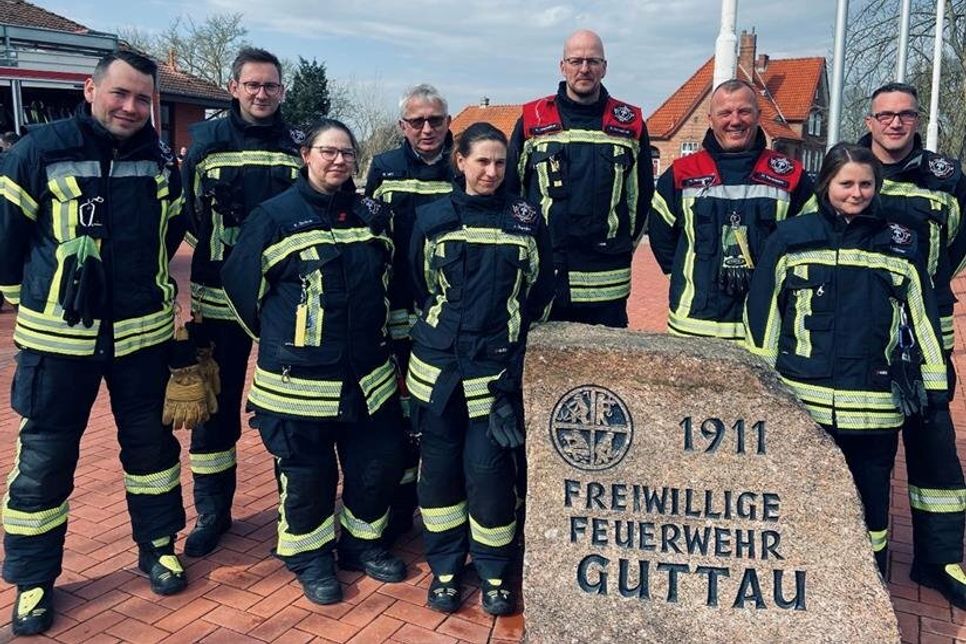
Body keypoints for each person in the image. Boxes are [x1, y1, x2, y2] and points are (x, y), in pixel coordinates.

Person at [0, 50, 187, 636]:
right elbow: (7, 244)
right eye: (120, 94)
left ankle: (157, 547)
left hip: (143, 340)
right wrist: (37, 298)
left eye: (143, 99)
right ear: (90, 88)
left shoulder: (161, 159)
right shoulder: (37, 150)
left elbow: (173, 227)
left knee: (152, 454)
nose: (132, 107)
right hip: (57, 345)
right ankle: (33, 581)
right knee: (43, 464)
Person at [744, 143, 965, 607]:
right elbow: (764, 313)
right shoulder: (791, 237)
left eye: (866, 183)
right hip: (805, 401)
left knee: (870, 503)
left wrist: (934, 385)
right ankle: (803, 583)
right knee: (803, 495)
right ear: (826, 184)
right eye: (846, 183)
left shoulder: (899, 240)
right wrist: (760, 387)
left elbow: (921, 315)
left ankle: (867, 590)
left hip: (875, 404)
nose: (857, 192)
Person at [222, 118, 407, 606]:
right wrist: (284, 342)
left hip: (369, 378)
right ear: (306, 155)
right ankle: (310, 557)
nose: (339, 160)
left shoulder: (372, 216)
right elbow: (242, 291)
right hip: (297, 384)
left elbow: (392, 284)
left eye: (347, 152)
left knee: (378, 465)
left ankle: (361, 545)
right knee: (308, 478)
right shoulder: (274, 216)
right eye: (328, 151)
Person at [407, 122, 554, 615]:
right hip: (439, 371)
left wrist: (515, 363)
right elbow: (419, 285)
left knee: (489, 474)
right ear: (461, 161)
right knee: (440, 474)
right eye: (482, 161)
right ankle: (445, 569)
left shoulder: (526, 219)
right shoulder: (431, 217)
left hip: (495, 373)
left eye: (499, 162)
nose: (491, 171)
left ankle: (494, 571)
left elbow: (541, 294)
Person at [180, 47, 302, 557]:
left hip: (283, 305)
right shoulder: (205, 141)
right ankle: (213, 513)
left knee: (290, 412)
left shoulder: (299, 142)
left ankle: (294, 514)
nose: (261, 93)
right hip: (217, 301)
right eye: (252, 84)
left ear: (282, 90)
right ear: (233, 87)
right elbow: (187, 215)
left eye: (270, 86)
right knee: (214, 410)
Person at [858, 82, 966, 607]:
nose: (895, 124)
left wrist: (928, 291)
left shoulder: (945, 177)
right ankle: (863, 558)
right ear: (870, 120)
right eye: (885, 115)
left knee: (935, 455)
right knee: (867, 454)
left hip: (925, 340)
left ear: (917, 119)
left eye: (905, 115)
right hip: (864, 337)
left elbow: (959, 248)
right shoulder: (849, 167)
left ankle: (938, 560)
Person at [505, 29, 652, 328]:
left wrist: (617, 245)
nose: (584, 69)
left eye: (592, 61)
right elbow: (512, 191)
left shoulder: (630, 122)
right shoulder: (533, 119)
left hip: (607, 280)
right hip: (545, 271)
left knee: (607, 370)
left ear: (604, 67)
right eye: (576, 61)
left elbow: (641, 198)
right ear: (563, 66)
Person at [649, 78, 814, 341]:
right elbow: (660, 235)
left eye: (744, 111)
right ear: (711, 119)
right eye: (725, 113)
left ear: (758, 116)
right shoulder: (681, 174)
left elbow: (810, 244)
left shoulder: (790, 177)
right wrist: (688, 276)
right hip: (692, 325)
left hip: (765, 327)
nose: (734, 121)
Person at [365, 83, 454, 543]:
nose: (426, 128)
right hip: (397, 309)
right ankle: (399, 512)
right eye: (416, 121)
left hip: (448, 316)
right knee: (398, 413)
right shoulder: (383, 168)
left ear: (448, 123)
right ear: (402, 126)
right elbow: (373, 239)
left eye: (435, 120)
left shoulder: (465, 167)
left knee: (438, 413)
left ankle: (438, 506)